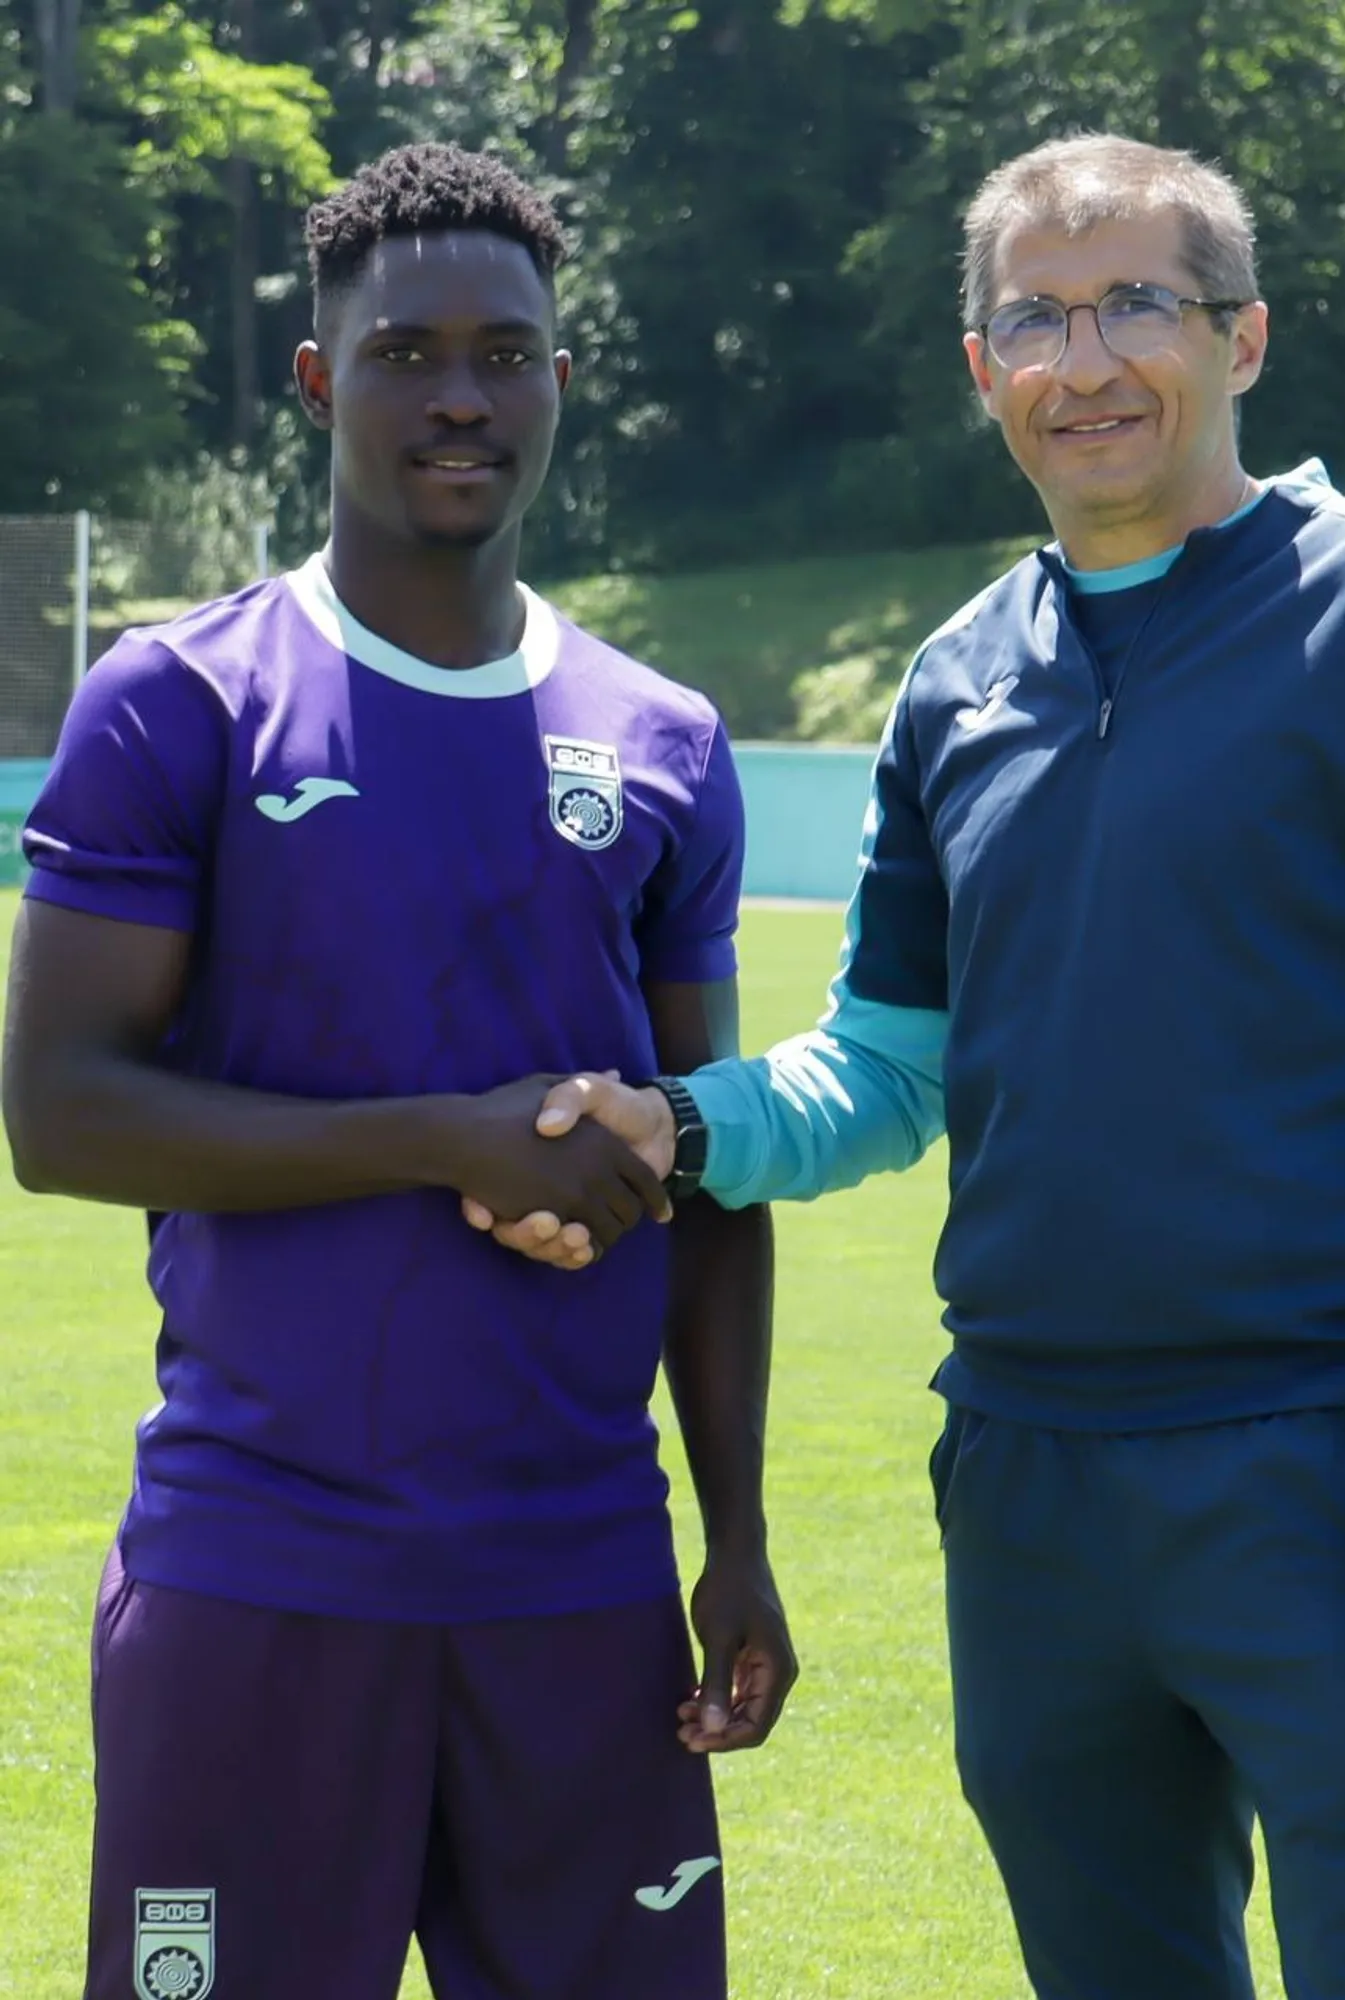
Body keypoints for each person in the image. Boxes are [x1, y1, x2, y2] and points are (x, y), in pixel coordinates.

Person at [475, 134, 1345, 2000]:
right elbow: (886, 1066)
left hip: (1343, 1464)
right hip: (1029, 1487)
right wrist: (672, 1129)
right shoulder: (954, 677)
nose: (1085, 364)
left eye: (1137, 305)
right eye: (1036, 320)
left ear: (1244, 337)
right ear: (980, 366)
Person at [1, 142, 794, 2000]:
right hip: (262, 1563)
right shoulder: (182, 701)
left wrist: (739, 1534)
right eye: (405, 353)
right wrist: (445, 1142)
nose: (460, 397)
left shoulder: (664, 740)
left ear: (560, 385)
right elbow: (59, 1113)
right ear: (316, 380)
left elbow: (709, 1164)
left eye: (504, 356)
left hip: (582, 1580)